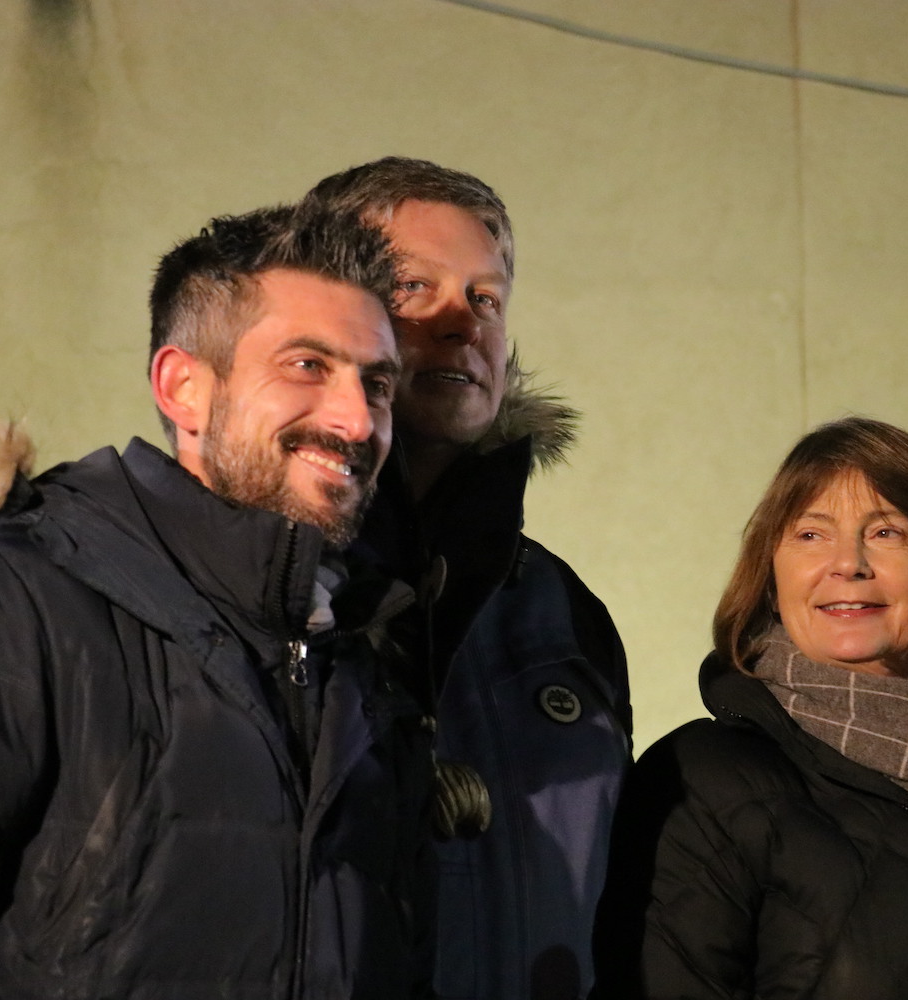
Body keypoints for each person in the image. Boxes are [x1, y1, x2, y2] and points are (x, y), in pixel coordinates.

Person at [0, 205, 438, 997]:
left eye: (377, 384)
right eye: (306, 365)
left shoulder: (361, 650)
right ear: (183, 388)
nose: (356, 420)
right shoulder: (2, 594)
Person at [591, 416, 908, 999]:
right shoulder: (701, 778)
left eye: (886, 533)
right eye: (810, 535)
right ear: (772, 579)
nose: (848, 563)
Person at [301, 157, 631, 1000]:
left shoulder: (563, 612)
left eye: (486, 298)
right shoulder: (252, 583)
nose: (462, 324)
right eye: (415, 287)